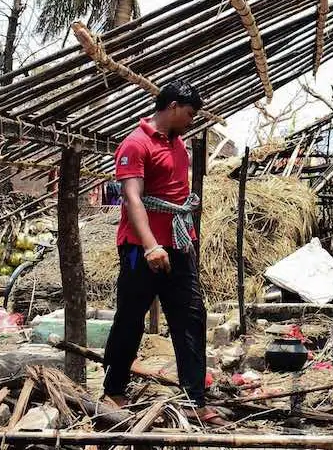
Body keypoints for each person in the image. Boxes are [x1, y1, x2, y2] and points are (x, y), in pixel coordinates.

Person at [102, 79, 221, 424]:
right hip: (142, 249)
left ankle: (194, 399)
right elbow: (133, 198)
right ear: (171, 107)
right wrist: (151, 245)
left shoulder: (179, 144)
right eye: (188, 113)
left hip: (178, 244)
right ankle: (113, 390)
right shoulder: (136, 144)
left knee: (191, 317)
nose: (190, 120)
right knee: (130, 318)